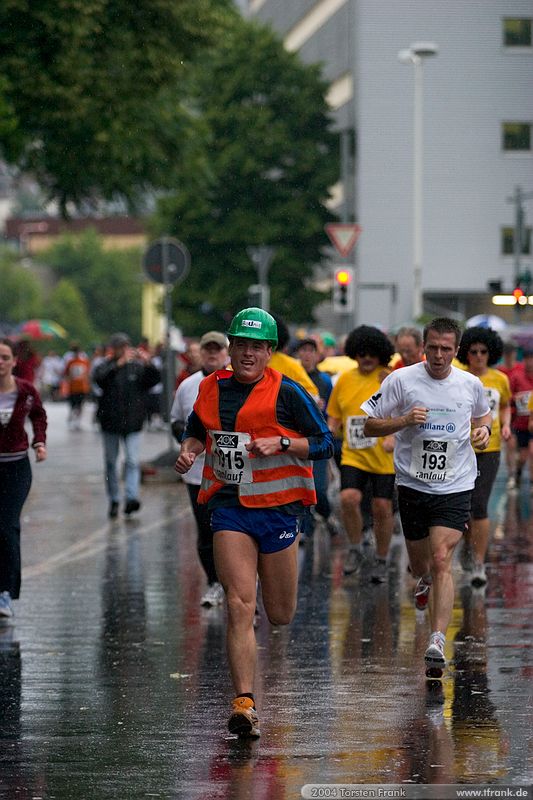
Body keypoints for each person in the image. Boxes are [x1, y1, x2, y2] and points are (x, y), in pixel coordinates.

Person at [175, 308, 333, 738]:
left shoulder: (290, 393)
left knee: (279, 615)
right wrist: (189, 450)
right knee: (239, 604)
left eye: (256, 347)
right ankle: (244, 702)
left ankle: (262, 599)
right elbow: (195, 431)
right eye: (240, 345)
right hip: (230, 508)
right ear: (230, 348)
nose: (247, 353)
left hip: (280, 511)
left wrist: (283, 441)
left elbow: (325, 443)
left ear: (269, 352)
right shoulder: (209, 388)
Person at [362, 318, 491, 676]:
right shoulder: (401, 380)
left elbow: (484, 416)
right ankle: (421, 581)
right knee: (422, 566)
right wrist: (402, 421)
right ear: (424, 346)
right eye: (432, 347)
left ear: (456, 350)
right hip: (413, 484)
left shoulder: (470, 384)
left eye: (446, 349)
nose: (438, 355)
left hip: (456, 483)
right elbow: (369, 423)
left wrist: (483, 431)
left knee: (441, 559)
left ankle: (436, 639)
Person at [326, 325, 395, 583]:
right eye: (361, 352)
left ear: (381, 354)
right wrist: (328, 431)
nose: (366, 357)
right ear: (354, 353)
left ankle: (381, 557)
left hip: (382, 455)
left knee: (381, 506)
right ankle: (354, 548)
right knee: (348, 498)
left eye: (372, 353)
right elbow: (334, 414)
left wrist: (392, 437)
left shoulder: (388, 378)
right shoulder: (344, 379)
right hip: (353, 453)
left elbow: (402, 411)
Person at [170, 331, 230, 607]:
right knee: (206, 530)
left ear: (226, 353)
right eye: (208, 349)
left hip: (232, 473)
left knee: (233, 530)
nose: (212, 354)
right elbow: (176, 422)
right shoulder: (188, 386)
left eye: (218, 349)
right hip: (198, 474)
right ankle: (215, 582)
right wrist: (190, 444)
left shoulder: (239, 382)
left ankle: (241, 586)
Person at [456, 327, 511, 586]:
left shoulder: (500, 379)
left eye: (483, 352)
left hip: (490, 449)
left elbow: (505, 406)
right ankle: (468, 545)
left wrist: (507, 424)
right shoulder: (459, 378)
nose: (478, 356)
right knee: (464, 506)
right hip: (461, 448)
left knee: (480, 504)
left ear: (491, 353)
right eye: (473, 351)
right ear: (466, 353)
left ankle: (479, 563)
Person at [0, 338, 47, 620]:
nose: (0, 363)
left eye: (5, 357)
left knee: (6, 527)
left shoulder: (25, 391)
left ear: (14, 361)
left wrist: (39, 442)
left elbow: (39, 416)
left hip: (16, 468)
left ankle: (5, 593)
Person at [93, 333, 160, 518]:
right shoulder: (105, 366)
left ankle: (131, 497)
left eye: (125, 347)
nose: (123, 351)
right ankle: (114, 498)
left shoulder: (137, 368)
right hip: (110, 423)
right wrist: (117, 365)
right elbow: (99, 380)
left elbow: (154, 380)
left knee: (132, 461)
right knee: (110, 463)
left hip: (133, 423)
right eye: (119, 347)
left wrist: (149, 363)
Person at [294, 337, 339, 539]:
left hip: (317, 440)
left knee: (319, 488)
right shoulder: (292, 378)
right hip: (297, 440)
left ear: (317, 354)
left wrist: (329, 427)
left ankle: (327, 514)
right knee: (300, 487)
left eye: (310, 351)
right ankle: (306, 528)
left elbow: (332, 409)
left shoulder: (325, 380)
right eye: (302, 350)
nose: (306, 355)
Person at [508, 347, 533, 491]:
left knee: (532, 451)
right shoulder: (517, 376)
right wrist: (516, 399)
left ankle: (531, 483)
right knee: (523, 456)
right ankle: (516, 474)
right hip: (521, 424)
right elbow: (508, 399)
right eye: (527, 359)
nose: (530, 363)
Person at [63, 343, 91, 430]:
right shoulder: (71, 362)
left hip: (81, 387)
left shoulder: (84, 361)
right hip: (74, 387)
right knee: (74, 405)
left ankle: (77, 421)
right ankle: (74, 419)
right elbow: (66, 374)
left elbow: (87, 374)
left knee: (79, 405)